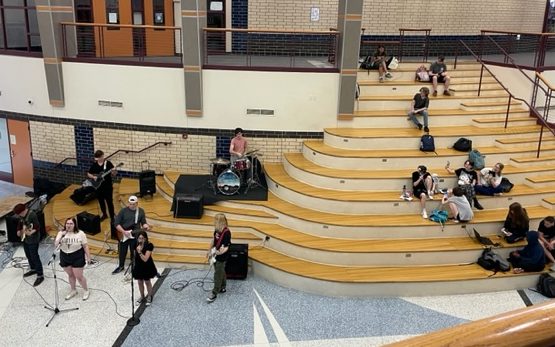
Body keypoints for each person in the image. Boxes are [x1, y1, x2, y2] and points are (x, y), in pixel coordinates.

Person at [55, 217, 91, 300]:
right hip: (64, 255)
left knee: (78, 276)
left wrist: (88, 257)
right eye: (67, 223)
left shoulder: (80, 233)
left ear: (75, 225)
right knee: (70, 274)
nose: (69, 225)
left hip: (77, 255)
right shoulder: (61, 233)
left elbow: (85, 246)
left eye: (71, 223)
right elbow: (56, 244)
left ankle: (86, 290)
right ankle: (73, 290)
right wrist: (61, 235)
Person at [112, 195, 150, 274]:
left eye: (133, 204)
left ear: (137, 203)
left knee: (134, 252)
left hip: (134, 235)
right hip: (124, 234)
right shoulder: (123, 211)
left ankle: (134, 266)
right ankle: (121, 266)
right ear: (128, 203)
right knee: (122, 252)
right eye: (130, 204)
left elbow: (143, 222)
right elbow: (116, 223)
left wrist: (146, 226)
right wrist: (123, 231)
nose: (131, 205)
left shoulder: (141, 211)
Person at [13, 203, 44, 287]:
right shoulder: (21, 216)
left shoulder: (32, 215)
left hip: (33, 239)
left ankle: (40, 275)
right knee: (28, 255)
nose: (19, 215)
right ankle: (33, 269)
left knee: (34, 256)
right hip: (25, 238)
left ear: (23, 211)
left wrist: (31, 232)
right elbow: (20, 223)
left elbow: (37, 226)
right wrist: (18, 230)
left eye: (19, 214)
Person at [206, 213, 231, 303]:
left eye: (215, 220)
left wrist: (219, 252)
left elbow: (226, 247)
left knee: (217, 274)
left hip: (222, 256)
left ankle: (214, 292)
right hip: (215, 254)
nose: (214, 222)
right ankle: (223, 287)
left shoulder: (226, 232)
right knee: (221, 271)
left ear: (220, 221)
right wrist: (209, 251)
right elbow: (213, 240)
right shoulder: (217, 230)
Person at [87, 150, 116, 222]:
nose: (101, 158)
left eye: (102, 156)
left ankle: (112, 217)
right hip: (98, 187)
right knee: (101, 202)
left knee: (109, 202)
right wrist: (93, 177)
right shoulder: (94, 165)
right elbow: (89, 173)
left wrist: (113, 171)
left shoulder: (108, 163)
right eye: (99, 158)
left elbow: (113, 174)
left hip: (108, 187)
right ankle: (104, 214)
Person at [132, 231, 157, 306]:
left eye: (142, 238)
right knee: (139, 282)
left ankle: (149, 296)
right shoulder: (135, 244)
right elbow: (134, 256)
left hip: (147, 266)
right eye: (139, 238)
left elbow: (146, 259)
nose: (140, 240)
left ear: (145, 239)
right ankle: (142, 296)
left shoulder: (149, 245)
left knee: (147, 281)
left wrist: (139, 252)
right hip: (138, 265)